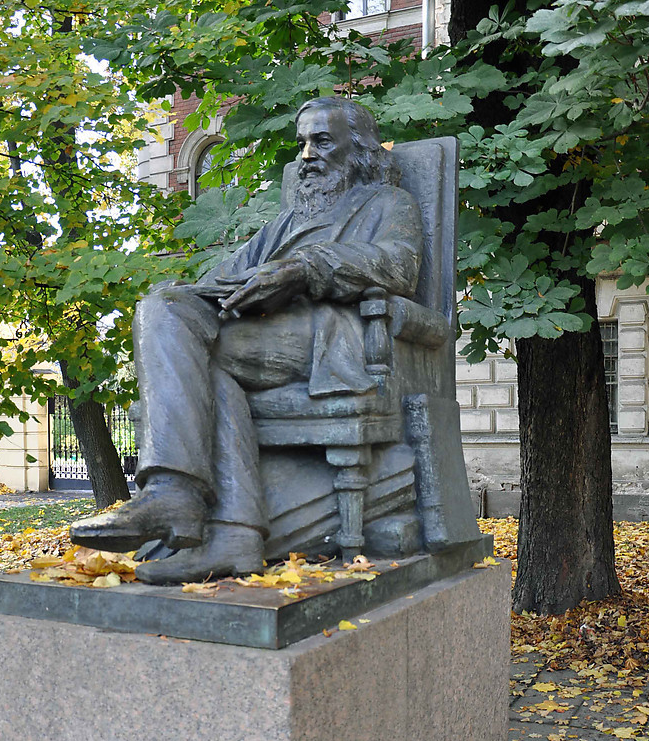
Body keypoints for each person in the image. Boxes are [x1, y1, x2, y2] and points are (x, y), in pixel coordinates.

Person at [70, 96, 424, 583]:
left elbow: (399, 267)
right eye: (301, 144)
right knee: (170, 315)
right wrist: (203, 294)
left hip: (325, 339)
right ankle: (234, 536)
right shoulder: (284, 223)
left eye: (322, 142)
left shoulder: (388, 204)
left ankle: (173, 495)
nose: (307, 156)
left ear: (358, 149)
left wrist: (303, 268)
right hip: (257, 338)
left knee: (183, 331)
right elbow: (220, 280)